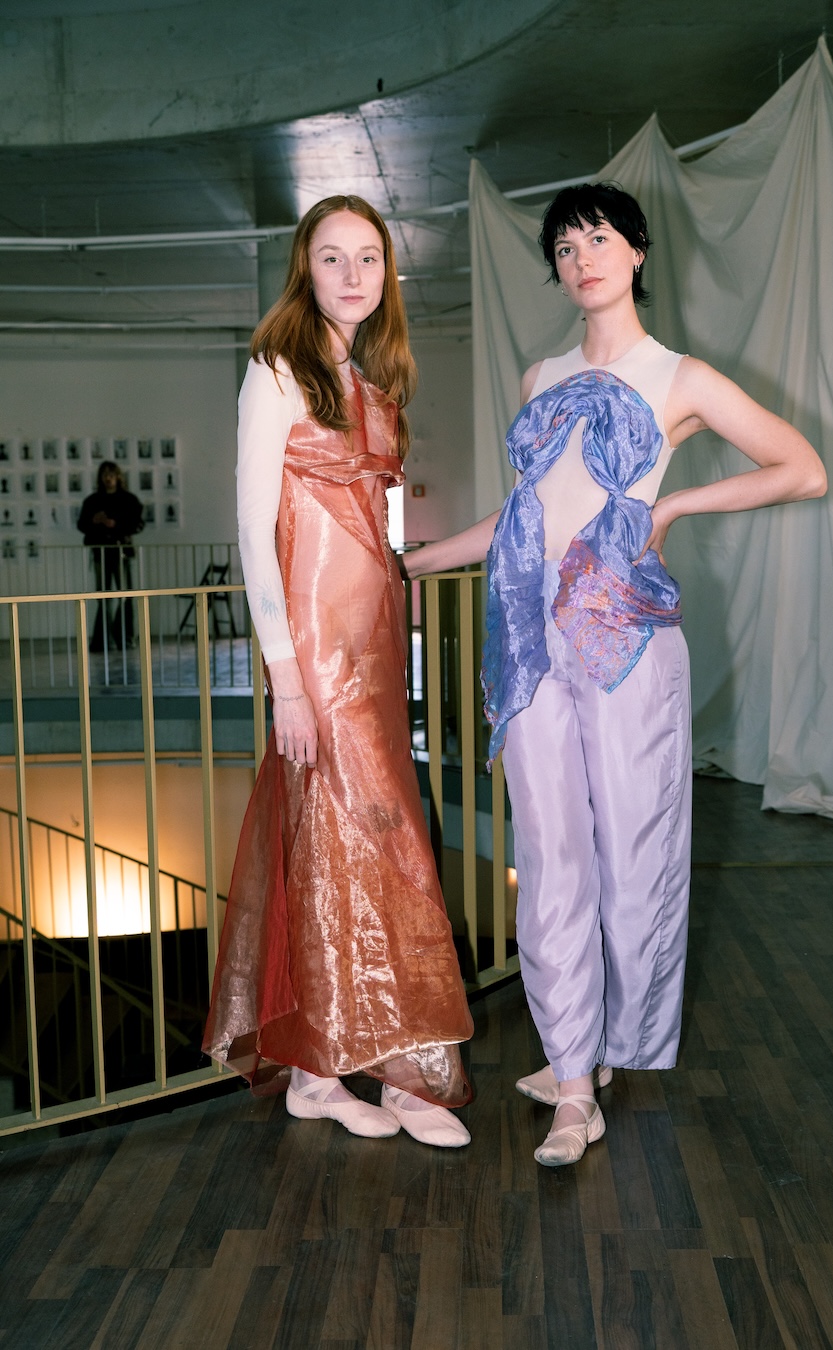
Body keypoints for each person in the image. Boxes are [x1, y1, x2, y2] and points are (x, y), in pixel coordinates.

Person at [404, 183, 826, 1167]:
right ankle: (570, 1073)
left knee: (634, 855)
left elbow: (801, 467)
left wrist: (669, 510)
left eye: (597, 238)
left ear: (635, 252)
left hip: (626, 637)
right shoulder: (541, 374)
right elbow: (525, 515)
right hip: (532, 639)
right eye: (564, 246)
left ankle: (604, 1051)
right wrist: (415, 563)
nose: (581, 257)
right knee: (551, 856)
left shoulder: (678, 376)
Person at [203, 195, 474, 1147]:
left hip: (375, 644)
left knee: (360, 841)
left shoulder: (369, 372)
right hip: (315, 655)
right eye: (333, 257)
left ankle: (326, 1074)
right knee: (354, 842)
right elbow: (253, 528)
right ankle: (389, 1071)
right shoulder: (277, 366)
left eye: (369, 257)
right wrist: (284, 677)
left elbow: (373, 531)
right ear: (304, 268)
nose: (353, 275)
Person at [76, 460, 144, 651]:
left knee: (125, 594)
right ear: (100, 477)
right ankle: (102, 640)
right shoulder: (92, 501)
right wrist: (94, 521)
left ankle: (125, 638)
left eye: (111, 475)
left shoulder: (128, 500)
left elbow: (138, 524)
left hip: (121, 551)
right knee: (103, 596)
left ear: (118, 477)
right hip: (101, 552)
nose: (108, 478)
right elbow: (81, 525)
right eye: (105, 475)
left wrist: (117, 525)